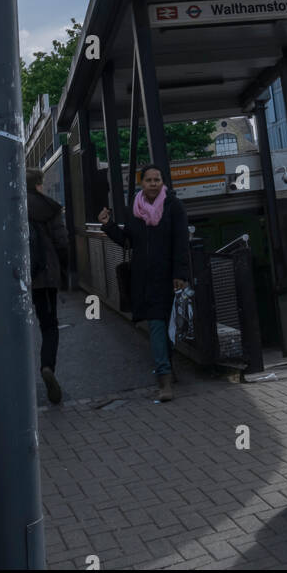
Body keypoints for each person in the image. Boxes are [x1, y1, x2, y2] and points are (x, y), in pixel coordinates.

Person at [98, 165, 188, 402]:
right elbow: (128, 242)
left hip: (169, 276)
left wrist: (180, 273)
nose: (153, 183)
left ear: (162, 182)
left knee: (169, 326)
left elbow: (181, 241)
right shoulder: (134, 211)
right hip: (144, 279)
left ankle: (168, 367)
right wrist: (108, 225)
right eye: (148, 180)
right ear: (141, 183)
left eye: (157, 179)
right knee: (158, 325)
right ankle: (164, 379)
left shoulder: (174, 207)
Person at [27, 167, 70, 405]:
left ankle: (17, 382)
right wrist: (64, 270)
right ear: (39, 184)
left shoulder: (13, 205)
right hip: (45, 277)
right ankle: (47, 367)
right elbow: (62, 242)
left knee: (16, 329)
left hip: (21, 278)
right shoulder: (52, 208)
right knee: (49, 326)